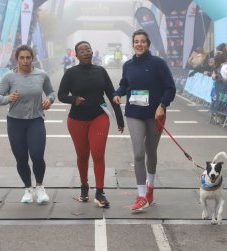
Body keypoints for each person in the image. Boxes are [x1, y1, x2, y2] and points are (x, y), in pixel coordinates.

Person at [113, 29, 176, 211]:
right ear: (133, 44)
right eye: (136, 41)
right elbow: (125, 84)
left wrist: (162, 105)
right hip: (134, 113)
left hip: (155, 114)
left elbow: (170, 88)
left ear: (148, 44)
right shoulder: (128, 65)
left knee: (151, 152)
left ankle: (150, 187)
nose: (139, 44)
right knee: (139, 153)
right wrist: (118, 94)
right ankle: (141, 195)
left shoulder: (158, 63)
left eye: (142, 41)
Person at [58, 41, 124, 208]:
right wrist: (74, 100)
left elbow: (112, 94)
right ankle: (84, 186)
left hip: (98, 117)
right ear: (77, 55)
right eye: (82, 50)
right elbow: (61, 95)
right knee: (82, 156)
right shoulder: (71, 73)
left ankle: (100, 192)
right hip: (76, 120)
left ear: (92, 52)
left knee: (98, 153)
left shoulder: (100, 71)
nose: (86, 52)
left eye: (88, 49)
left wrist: (119, 118)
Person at [0, 44, 55, 204]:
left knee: (37, 155)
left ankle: (40, 187)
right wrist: (8, 98)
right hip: (15, 122)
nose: (25, 61)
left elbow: (51, 92)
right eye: (22, 58)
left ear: (32, 58)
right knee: (21, 158)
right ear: (17, 59)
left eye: (28, 57)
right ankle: (28, 189)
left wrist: (49, 100)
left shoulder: (41, 75)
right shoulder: (9, 77)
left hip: (36, 120)